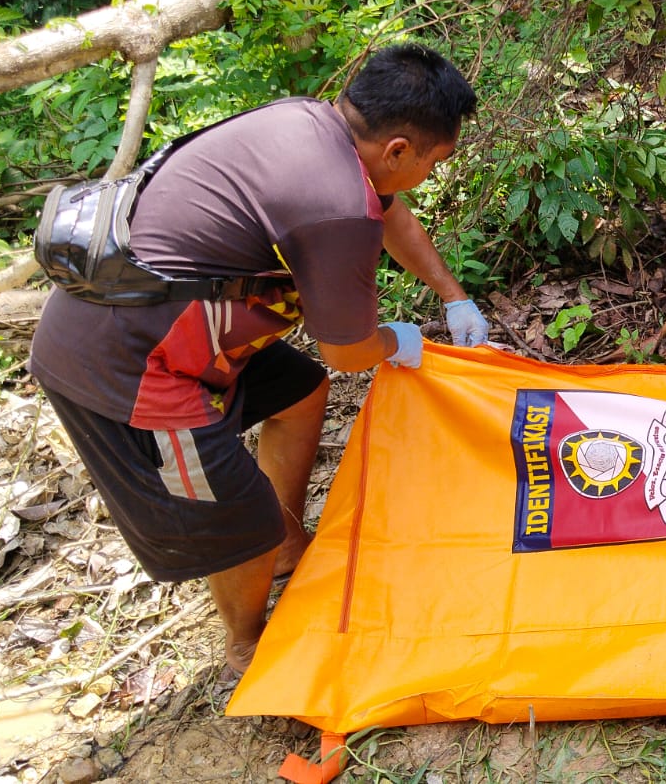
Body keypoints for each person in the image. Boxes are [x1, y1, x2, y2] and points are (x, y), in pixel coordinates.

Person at [30, 43, 489, 675]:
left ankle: (284, 551)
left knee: (301, 393)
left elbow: (391, 214)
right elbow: (349, 352)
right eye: (435, 163)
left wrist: (454, 297)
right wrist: (398, 341)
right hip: (130, 363)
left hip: (166, 324)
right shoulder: (335, 205)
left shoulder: (314, 125)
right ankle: (247, 642)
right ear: (399, 151)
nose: (429, 176)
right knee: (240, 518)